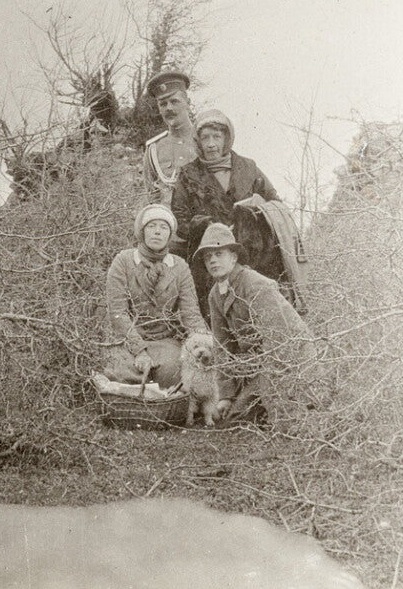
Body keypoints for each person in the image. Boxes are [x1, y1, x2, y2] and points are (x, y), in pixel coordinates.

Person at [193, 223, 315, 424]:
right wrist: (225, 396)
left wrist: (268, 390)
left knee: (277, 418)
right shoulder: (215, 295)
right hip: (259, 364)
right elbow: (223, 347)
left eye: (219, 253)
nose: (213, 260)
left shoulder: (255, 283)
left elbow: (279, 338)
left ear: (233, 257)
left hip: (292, 358)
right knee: (231, 419)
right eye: (208, 257)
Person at [171, 108, 282, 314]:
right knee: (217, 312)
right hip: (210, 260)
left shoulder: (248, 167)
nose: (211, 143)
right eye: (205, 138)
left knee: (257, 308)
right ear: (198, 141)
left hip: (253, 255)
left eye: (217, 136)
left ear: (227, 138)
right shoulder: (188, 174)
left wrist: (255, 207)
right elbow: (179, 218)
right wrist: (207, 225)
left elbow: (275, 203)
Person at [102, 203, 212, 389]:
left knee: (177, 373)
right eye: (151, 226)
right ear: (142, 231)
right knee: (118, 373)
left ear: (169, 235)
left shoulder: (179, 266)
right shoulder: (123, 261)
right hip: (127, 339)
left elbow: (190, 313)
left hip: (165, 341)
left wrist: (206, 344)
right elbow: (118, 313)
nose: (157, 232)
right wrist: (139, 351)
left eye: (163, 227)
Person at [142, 71, 198, 210]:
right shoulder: (154, 149)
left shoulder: (205, 141)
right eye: (163, 104)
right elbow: (151, 197)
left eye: (174, 101)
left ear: (187, 102)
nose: (169, 108)